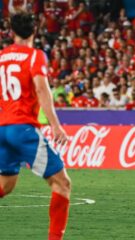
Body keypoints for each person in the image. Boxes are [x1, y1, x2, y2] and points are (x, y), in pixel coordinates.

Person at [0, 12, 71, 240]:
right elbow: (41, 89)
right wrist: (56, 126)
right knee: (62, 184)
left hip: (2, 129)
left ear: (11, 32)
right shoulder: (34, 56)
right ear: (35, 30)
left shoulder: (1, 57)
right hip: (23, 129)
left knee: (6, 185)